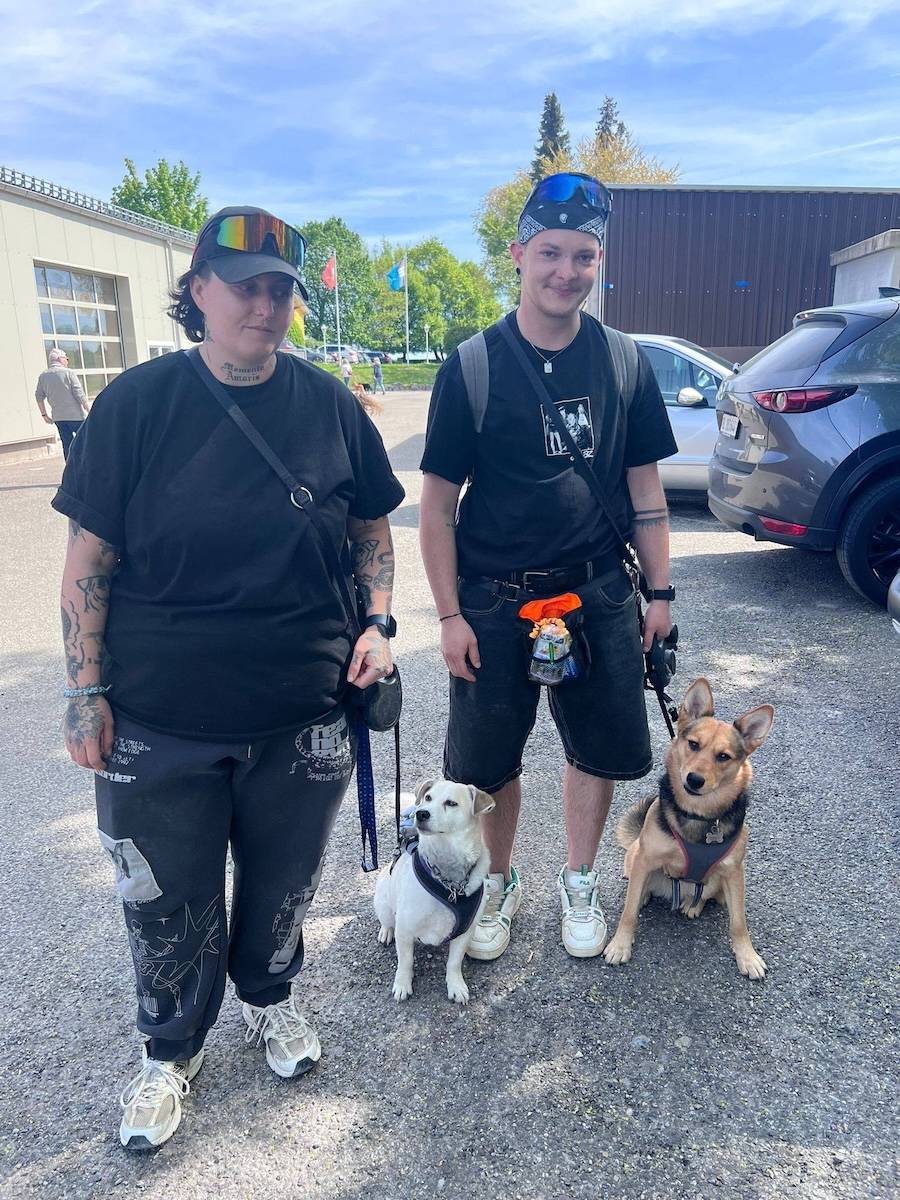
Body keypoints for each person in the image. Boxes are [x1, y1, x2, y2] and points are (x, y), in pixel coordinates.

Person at [52, 206, 404, 1150]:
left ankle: (270, 996)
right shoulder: (136, 405)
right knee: (164, 896)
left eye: (281, 289)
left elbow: (371, 531)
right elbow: (88, 559)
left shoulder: (331, 405)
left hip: (305, 710)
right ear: (198, 289)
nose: (266, 305)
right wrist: (83, 691)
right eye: (245, 285)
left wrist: (378, 624)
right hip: (158, 716)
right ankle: (169, 1050)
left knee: (286, 880)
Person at [419, 172, 677, 964]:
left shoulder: (625, 363)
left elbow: (646, 493)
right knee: (489, 762)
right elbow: (437, 508)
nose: (567, 272)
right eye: (551, 253)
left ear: (599, 262)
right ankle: (500, 882)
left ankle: (579, 879)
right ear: (518, 255)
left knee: (594, 749)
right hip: (494, 603)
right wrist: (449, 615)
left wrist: (660, 593)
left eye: (584, 257)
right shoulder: (472, 366)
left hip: (597, 594)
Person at [35, 347, 89, 458]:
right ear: (60, 359)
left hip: (59, 418)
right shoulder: (69, 373)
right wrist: (90, 410)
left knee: (66, 444)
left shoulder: (43, 376)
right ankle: (86, 465)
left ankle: (70, 467)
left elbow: (38, 396)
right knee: (85, 442)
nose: (67, 361)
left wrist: (44, 415)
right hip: (76, 417)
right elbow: (79, 394)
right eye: (66, 358)